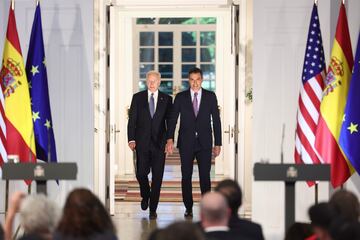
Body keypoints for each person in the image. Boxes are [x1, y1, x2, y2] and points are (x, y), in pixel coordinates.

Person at [167, 67, 222, 218]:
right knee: (186, 176)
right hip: (186, 142)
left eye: (198, 79)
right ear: (188, 80)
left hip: (205, 143)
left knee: (205, 176)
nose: (195, 83)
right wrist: (169, 138)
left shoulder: (210, 96)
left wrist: (218, 143)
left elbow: (216, 121)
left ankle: (206, 207)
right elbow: (173, 119)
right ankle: (188, 207)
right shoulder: (180, 97)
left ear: (202, 80)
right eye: (192, 80)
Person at [127, 70, 173, 219]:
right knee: (141, 173)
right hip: (142, 143)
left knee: (157, 177)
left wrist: (169, 139)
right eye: (150, 81)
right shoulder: (138, 98)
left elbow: (170, 122)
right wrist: (131, 139)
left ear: (159, 82)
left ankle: (153, 208)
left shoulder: (166, 99)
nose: (152, 83)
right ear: (146, 82)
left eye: (155, 81)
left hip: (159, 144)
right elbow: (132, 120)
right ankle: (145, 195)